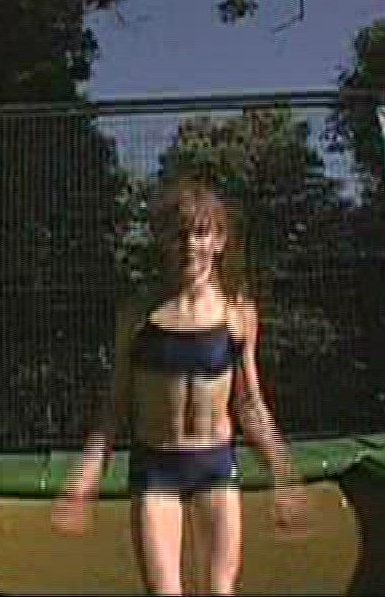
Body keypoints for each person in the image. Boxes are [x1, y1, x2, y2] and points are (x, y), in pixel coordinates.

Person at [52, 178, 308, 596]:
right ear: (164, 241)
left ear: (219, 241)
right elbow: (116, 404)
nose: (190, 245)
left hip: (215, 466)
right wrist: (87, 473)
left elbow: (249, 404)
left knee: (220, 590)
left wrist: (282, 473)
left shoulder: (237, 314)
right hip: (157, 470)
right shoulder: (139, 315)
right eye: (180, 235)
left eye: (201, 233)